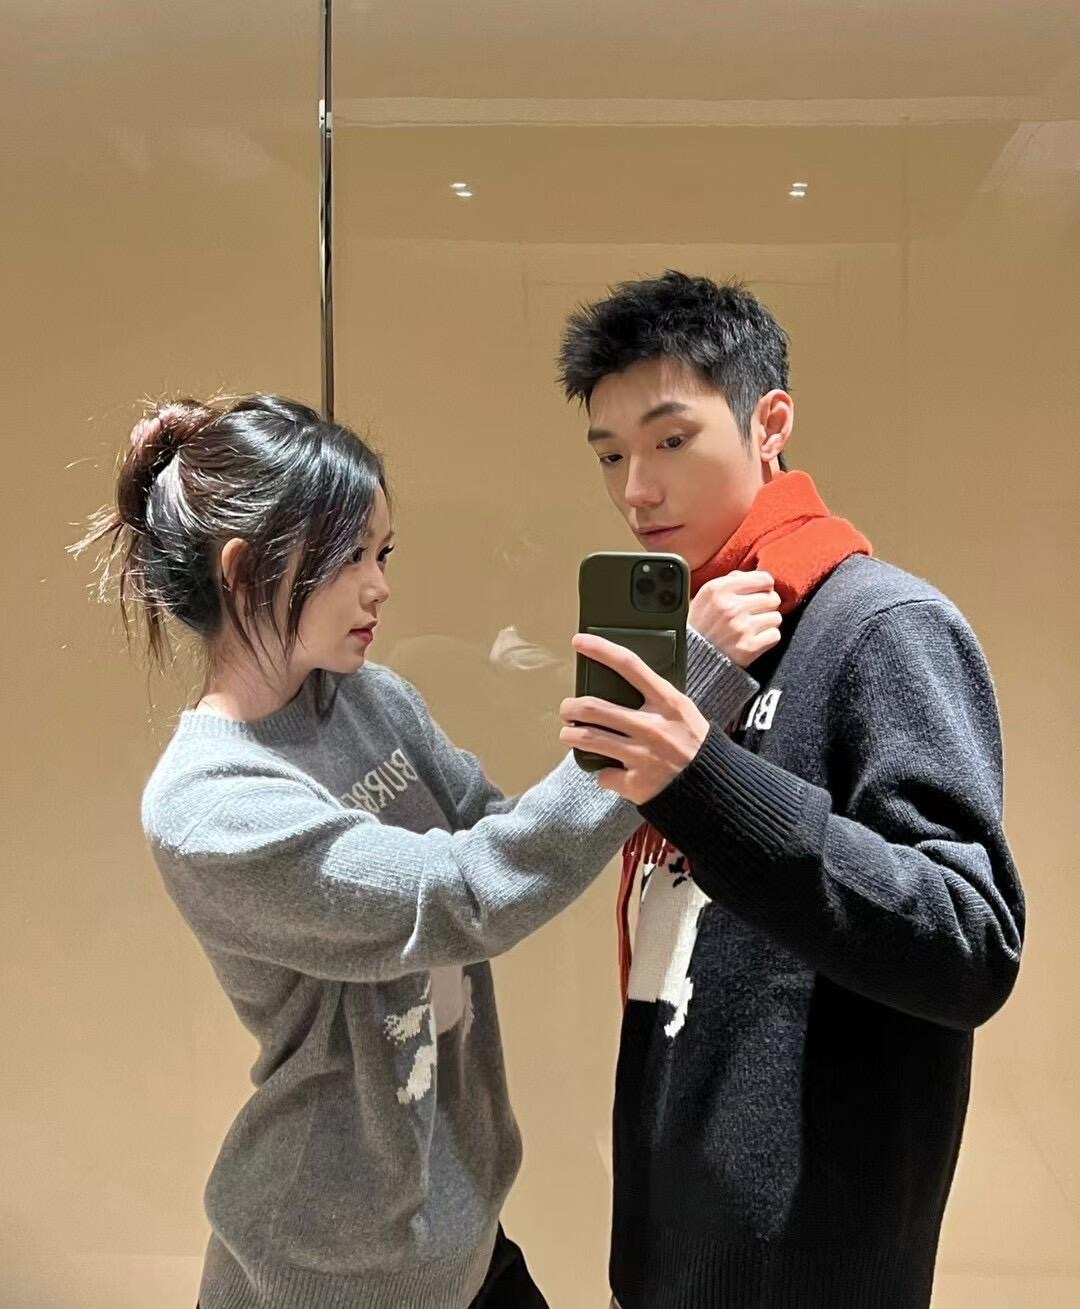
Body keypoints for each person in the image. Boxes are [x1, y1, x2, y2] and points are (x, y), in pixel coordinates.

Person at [75, 392, 758, 1309]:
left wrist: (640, 737)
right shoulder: (207, 805)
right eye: (349, 556)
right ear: (242, 572)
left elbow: (500, 835)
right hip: (332, 1273)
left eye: (382, 553)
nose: (379, 585)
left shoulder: (370, 696)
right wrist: (669, 703)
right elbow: (470, 893)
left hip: (457, 1230)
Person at [556, 272, 1025, 1309]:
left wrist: (705, 782)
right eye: (611, 454)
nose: (637, 490)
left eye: (671, 440)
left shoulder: (882, 627)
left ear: (769, 424)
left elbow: (970, 941)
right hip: (672, 1249)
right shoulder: (696, 647)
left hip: (810, 1272)